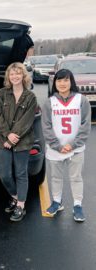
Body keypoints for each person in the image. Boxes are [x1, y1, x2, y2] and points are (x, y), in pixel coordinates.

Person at [41, 69, 91, 222]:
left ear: (71, 82)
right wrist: (57, 145)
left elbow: (85, 124)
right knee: (56, 177)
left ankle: (77, 205)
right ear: (54, 83)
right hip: (55, 149)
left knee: (76, 177)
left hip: (75, 148)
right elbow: (46, 126)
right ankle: (56, 202)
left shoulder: (81, 100)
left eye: (66, 80)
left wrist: (73, 144)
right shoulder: (49, 102)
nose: (62, 84)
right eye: (59, 80)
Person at [0, 62, 37, 222]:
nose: (15, 76)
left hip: (22, 141)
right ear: (8, 77)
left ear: (23, 75)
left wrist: (13, 137)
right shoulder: (1, 95)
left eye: (18, 73)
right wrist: (7, 135)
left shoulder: (30, 97)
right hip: (2, 140)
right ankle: (16, 196)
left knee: (21, 173)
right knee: (4, 174)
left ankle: (20, 206)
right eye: (12, 74)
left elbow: (27, 120)